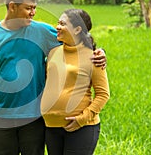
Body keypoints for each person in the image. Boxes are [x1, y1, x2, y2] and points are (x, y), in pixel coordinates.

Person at [0, 0, 107, 155]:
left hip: (34, 117)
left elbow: (77, 42)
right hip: (1, 117)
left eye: (35, 8)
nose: (33, 13)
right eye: (29, 8)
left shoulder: (42, 32)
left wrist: (99, 53)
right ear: (12, 6)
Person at [41, 8, 110, 155]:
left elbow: (103, 94)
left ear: (78, 29)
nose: (57, 27)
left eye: (62, 24)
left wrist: (82, 119)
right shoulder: (53, 53)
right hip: (51, 126)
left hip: (81, 128)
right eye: (58, 23)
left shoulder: (93, 57)